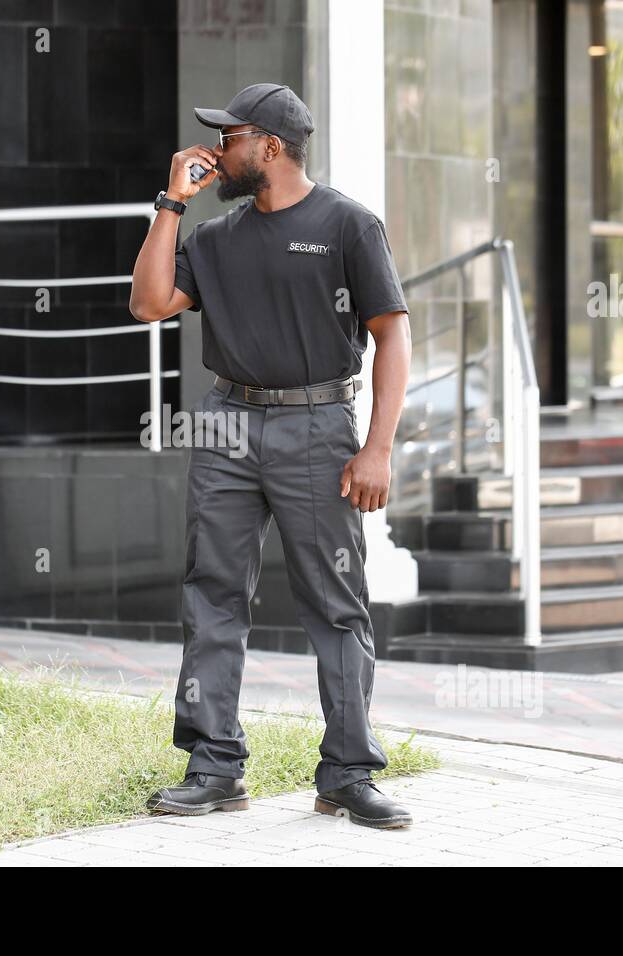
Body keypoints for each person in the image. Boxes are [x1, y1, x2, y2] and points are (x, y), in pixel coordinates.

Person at [128, 83, 413, 829]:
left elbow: (393, 333)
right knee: (212, 594)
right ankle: (214, 765)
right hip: (226, 425)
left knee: (335, 604)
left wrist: (378, 447)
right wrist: (171, 202)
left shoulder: (349, 224)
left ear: (271, 147)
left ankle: (348, 772)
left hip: (319, 426)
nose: (217, 148)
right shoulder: (216, 238)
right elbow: (149, 303)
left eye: (231, 136)